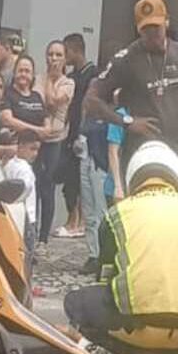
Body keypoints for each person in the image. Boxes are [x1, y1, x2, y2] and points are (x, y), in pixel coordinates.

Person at [64, 140, 178, 354]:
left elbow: (106, 278)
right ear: (176, 175)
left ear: (133, 177)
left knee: (76, 302)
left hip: (136, 328)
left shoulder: (117, 214)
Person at [84, 0, 178, 170]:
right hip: (140, 154)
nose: (152, 34)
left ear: (167, 22)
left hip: (174, 151)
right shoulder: (126, 59)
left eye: (156, 27)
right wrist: (127, 121)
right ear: (138, 29)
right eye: (146, 29)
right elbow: (91, 101)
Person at [0, 54, 50, 238]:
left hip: (36, 155)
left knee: (36, 195)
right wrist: (37, 130)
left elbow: (48, 124)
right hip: (15, 154)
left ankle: (36, 237)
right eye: (20, 70)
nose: (24, 74)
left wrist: (42, 131)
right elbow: (7, 120)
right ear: (14, 72)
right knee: (17, 195)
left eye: (27, 71)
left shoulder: (36, 96)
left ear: (33, 74)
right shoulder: (8, 94)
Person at [63, 32, 99, 257]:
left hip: (82, 135)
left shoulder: (92, 74)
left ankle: (77, 220)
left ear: (76, 50)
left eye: (66, 52)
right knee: (68, 178)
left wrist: (81, 133)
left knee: (78, 181)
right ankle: (72, 218)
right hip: (69, 133)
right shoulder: (72, 75)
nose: (65, 56)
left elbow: (87, 104)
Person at [36, 40, 77, 241]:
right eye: (50, 54)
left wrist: (50, 80)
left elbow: (52, 103)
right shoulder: (37, 78)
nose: (53, 59)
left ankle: (43, 235)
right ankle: (30, 230)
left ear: (64, 59)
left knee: (47, 185)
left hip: (54, 139)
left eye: (58, 55)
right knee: (32, 183)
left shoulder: (68, 84)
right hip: (35, 137)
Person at [5, 128, 42, 286]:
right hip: (27, 217)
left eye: (37, 150)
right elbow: (24, 190)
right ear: (20, 146)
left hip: (13, 215)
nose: (35, 153)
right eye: (32, 149)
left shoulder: (9, 164)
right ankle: (26, 284)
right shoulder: (25, 170)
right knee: (27, 253)